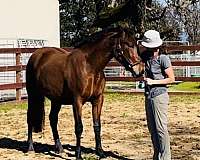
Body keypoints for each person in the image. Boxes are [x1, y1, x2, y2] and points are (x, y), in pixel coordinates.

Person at [139, 30, 175, 160]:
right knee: (152, 128)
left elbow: (171, 78)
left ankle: (166, 157)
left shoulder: (163, 58)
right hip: (148, 95)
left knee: (161, 128)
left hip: (159, 96)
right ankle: (157, 155)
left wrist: (153, 82)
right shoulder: (146, 57)